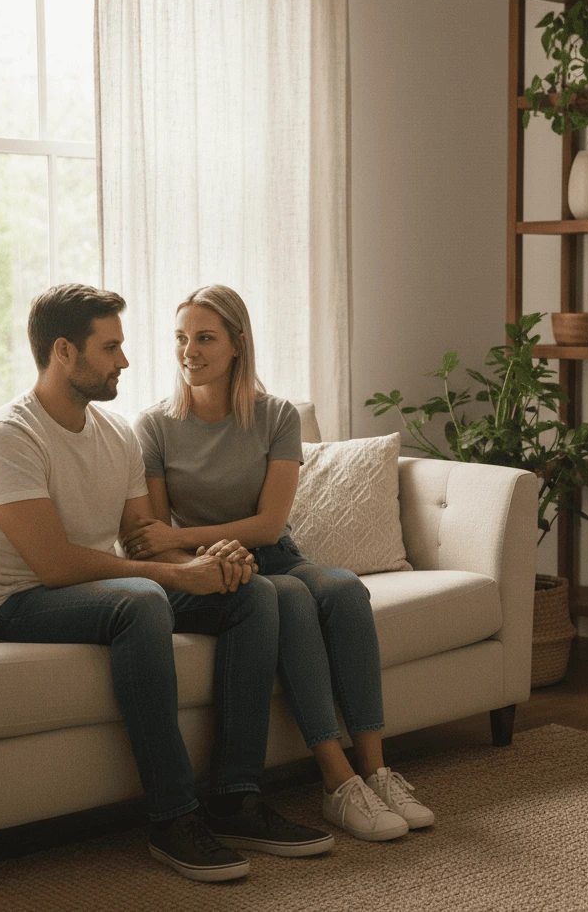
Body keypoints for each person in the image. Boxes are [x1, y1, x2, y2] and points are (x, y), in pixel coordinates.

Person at [0, 283, 334, 884]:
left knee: (254, 592)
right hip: (22, 603)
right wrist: (172, 575)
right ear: (64, 352)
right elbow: (54, 565)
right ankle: (171, 816)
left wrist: (215, 561)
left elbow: (143, 534)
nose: (125, 362)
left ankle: (236, 798)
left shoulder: (115, 435)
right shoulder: (10, 437)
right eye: (110, 348)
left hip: (98, 589)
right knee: (138, 603)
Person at [128, 284, 435, 842]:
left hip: (275, 555)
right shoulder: (154, 426)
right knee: (290, 597)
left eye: (204, 338)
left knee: (343, 590)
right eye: (180, 338)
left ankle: (376, 769)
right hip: (210, 570)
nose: (188, 351)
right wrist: (200, 554)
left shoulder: (275, 416)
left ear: (238, 344)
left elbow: (269, 525)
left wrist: (186, 532)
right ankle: (337, 782)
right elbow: (154, 539)